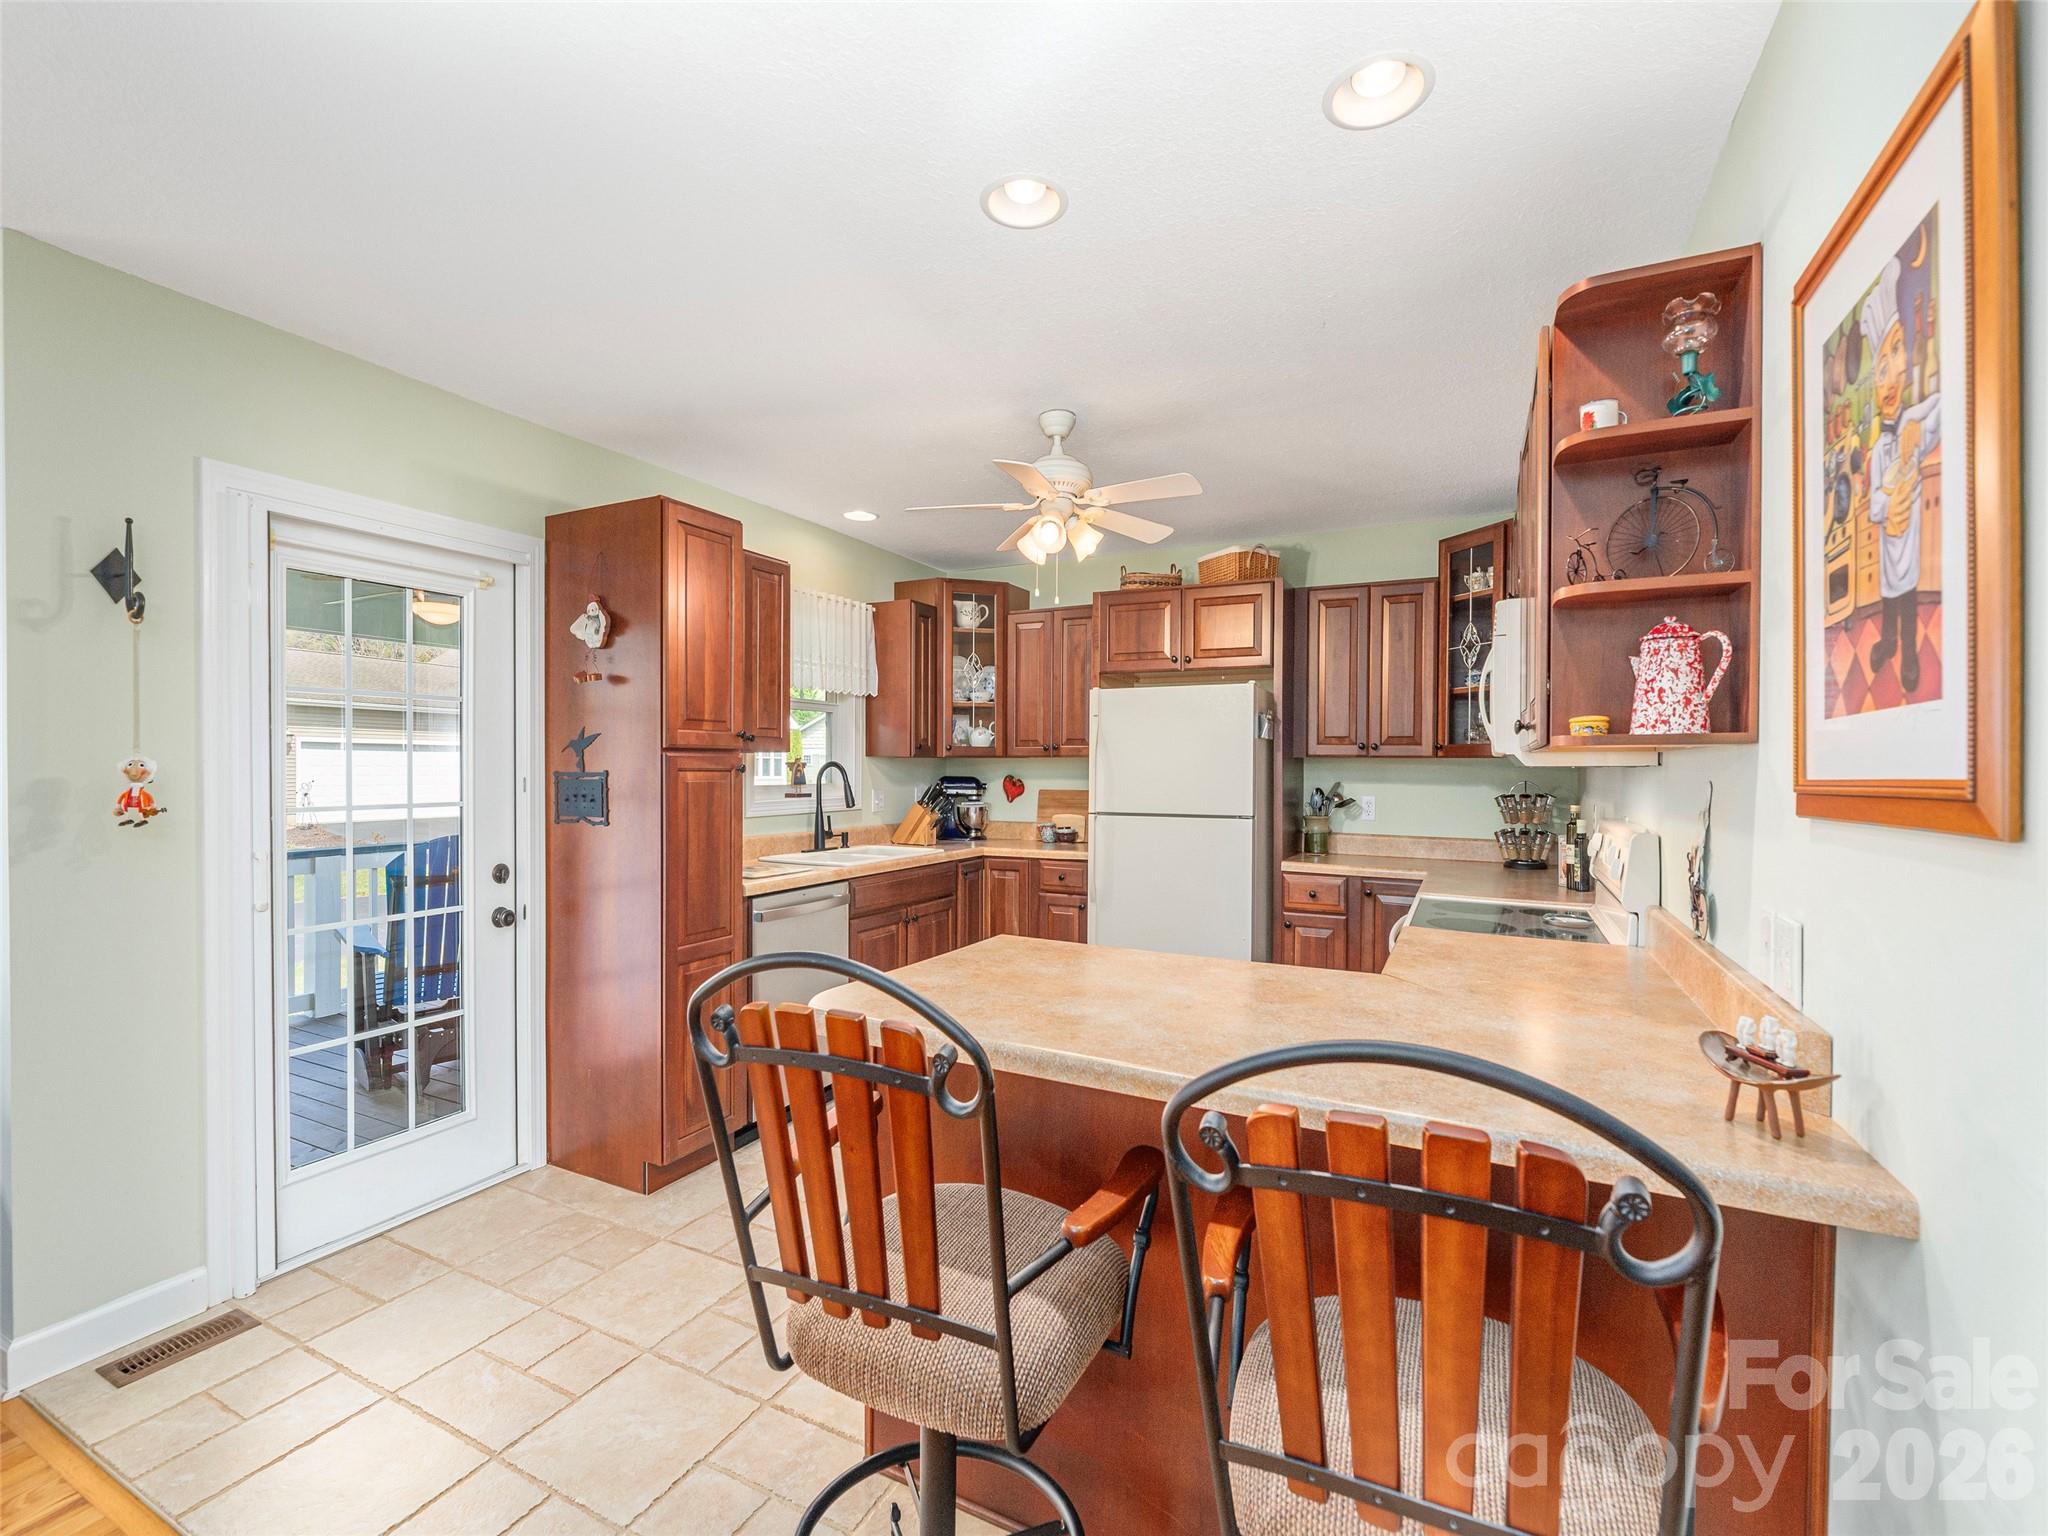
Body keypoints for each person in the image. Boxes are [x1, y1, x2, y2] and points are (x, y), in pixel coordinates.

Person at [1860, 254, 1941, 694]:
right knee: (1889, 591)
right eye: (1882, 368)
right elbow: (1874, 501)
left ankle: (1907, 652)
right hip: (1890, 531)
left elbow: (1945, 404)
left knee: (1906, 591)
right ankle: (1887, 641)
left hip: (1909, 535)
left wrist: (1915, 424)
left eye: (1897, 354)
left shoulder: (1912, 424)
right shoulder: (1878, 448)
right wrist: (1888, 501)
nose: (1891, 378)